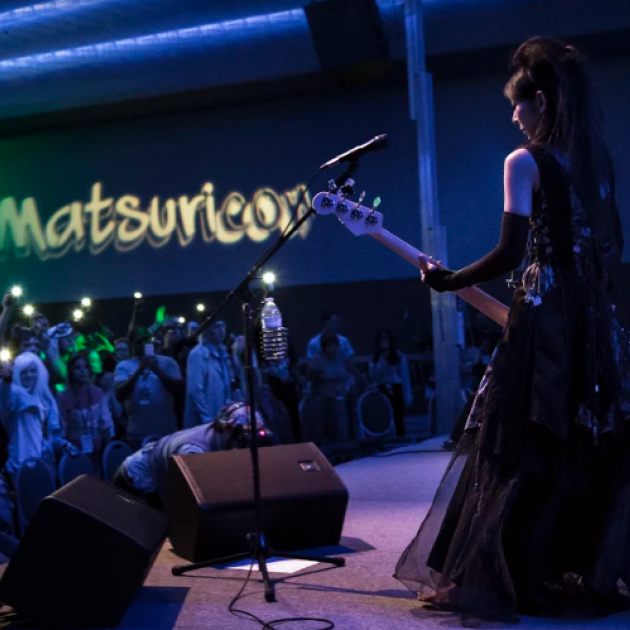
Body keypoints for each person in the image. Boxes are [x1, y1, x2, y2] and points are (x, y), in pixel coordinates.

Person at [395, 37, 630, 625]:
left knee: (513, 440)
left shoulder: (524, 161)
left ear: (543, 102)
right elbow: (612, 250)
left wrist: (448, 281)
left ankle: (505, 573)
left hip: (545, 323)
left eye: (518, 104)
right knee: (578, 442)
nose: (513, 116)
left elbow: (508, 254)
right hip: (595, 326)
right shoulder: (599, 163)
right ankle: (568, 565)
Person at [112, 402, 270, 509]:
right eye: (242, 439)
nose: (244, 446)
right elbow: (192, 499)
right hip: (135, 479)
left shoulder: (218, 430)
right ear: (227, 430)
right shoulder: (193, 452)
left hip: (155, 473)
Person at [0, 352, 76, 478]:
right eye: (24, 372)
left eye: (33, 371)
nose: (29, 375)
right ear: (17, 374)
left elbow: (49, 435)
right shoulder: (15, 394)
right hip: (21, 462)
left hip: (46, 461)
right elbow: (6, 397)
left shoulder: (45, 398)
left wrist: (62, 444)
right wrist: (6, 379)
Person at [114, 328, 183, 450]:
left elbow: (179, 389)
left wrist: (157, 370)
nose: (143, 344)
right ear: (131, 344)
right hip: (137, 432)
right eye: (139, 341)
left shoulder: (168, 362)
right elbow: (120, 394)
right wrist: (139, 370)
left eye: (147, 340)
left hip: (166, 431)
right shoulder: (124, 366)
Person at [58, 351, 114, 471]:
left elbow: (106, 423)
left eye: (85, 367)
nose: (82, 371)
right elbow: (61, 429)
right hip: (73, 452)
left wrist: (108, 451)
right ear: (71, 372)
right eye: (77, 368)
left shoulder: (97, 392)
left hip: (97, 450)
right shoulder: (63, 397)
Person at [304, 332, 363, 444]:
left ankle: (348, 446)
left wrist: (366, 385)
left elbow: (354, 370)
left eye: (334, 345)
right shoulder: (316, 361)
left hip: (343, 395)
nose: (332, 349)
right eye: (329, 346)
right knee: (329, 427)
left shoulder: (341, 356)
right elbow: (312, 380)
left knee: (345, 424)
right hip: (325, 398)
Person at [183, 320, 235, 429]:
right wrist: (207, 420)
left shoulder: (223, 355)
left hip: (220, 421)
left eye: (222, 326)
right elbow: (195, 391)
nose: (221, 331)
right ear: (207, 330)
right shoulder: (198, 354)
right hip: (204, 424)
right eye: (216, 327)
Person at [368, 329, 413, 437]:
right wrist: (381, 363)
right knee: (383, 416)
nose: (384, 341)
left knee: (397, 416)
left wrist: (408, 397)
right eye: (382, 338)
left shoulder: (399, 356)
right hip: (381, 388)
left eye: (386, 338)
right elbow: (373, 375)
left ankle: (400, 438)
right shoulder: (375, 358)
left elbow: (404, 376)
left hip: (395, 388)